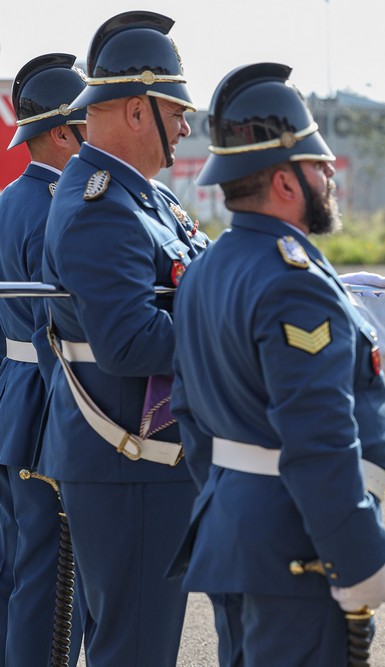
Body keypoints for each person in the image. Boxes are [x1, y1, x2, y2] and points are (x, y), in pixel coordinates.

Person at [168, 63, 385, 666]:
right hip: (296, 553)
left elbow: (190, 415)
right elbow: (318, 440)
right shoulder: (294, 282)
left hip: (236, 534)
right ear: (283, 180)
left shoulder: (205, 269)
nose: (329, 173)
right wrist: (356, 557)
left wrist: (233, 505)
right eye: (315, 163)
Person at [39, 12, 212, 666]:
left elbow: (210, 271)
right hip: (129, 466)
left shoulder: (148, 200)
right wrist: (236, 334)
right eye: (178, 110)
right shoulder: (98, 204)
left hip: (146, 464)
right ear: (139, 111)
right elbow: (131, 341)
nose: (188, 126)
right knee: (134, 650)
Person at [0, 53, 89, 667]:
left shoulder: (8, 200)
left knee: (16, 567)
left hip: (11, 393)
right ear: (63, 131)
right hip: (49, 402)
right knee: (53, 576)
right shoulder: (63, 208)